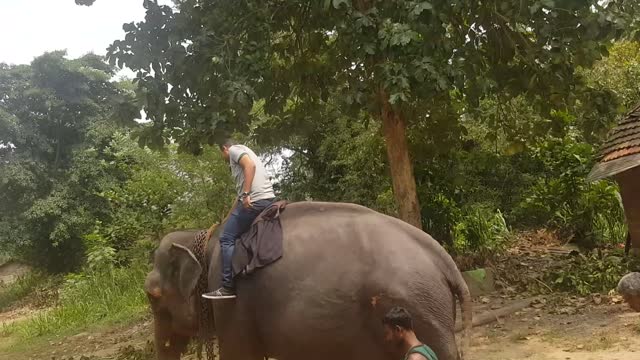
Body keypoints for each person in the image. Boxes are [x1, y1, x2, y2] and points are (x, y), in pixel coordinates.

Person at [206, 139, 276, 299]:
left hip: (256, 200)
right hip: (267, 198)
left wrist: (246, 194)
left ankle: (227, 287)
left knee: (226, 238)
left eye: (221, 154)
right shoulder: (246, 150)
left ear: (224, 148)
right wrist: (226, 218)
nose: (223, 158)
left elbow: (249, 166)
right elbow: (238, 200)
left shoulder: (234, 150)